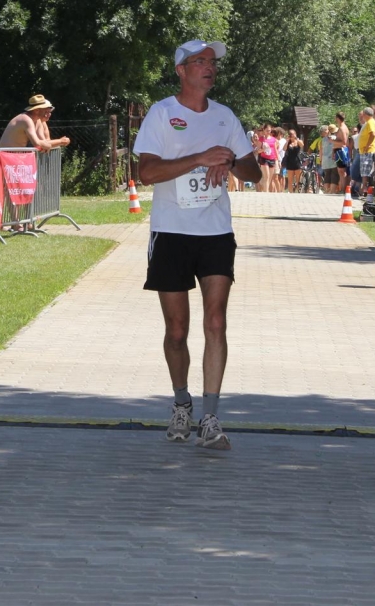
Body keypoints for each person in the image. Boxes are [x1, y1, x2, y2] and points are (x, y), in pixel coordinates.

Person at [133, 39, 261, 451]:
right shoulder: (162, 113)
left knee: (216, 322)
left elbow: (254, 172)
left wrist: (230, 161)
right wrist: (199, 158)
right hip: (171, 231)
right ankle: (181, 402)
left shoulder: (225, 117)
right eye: (200, 61)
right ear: (181, 70)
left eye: (213, 62)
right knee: (177, 330)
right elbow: (146, 173)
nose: (210, 67)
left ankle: (211, 417)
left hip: (215, 232)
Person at [0, 94, 71, 150]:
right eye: (45, 110)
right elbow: (37, 144)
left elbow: (44, 142)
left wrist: (58, 142)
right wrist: (60, 141)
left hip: (14, 157)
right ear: (36, 110)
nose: (48, 112)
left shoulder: (37, 120)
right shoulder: (26, 119)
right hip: (4, 156)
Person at [357, 107, 375, 196]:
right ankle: (365, 189)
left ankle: (364, 189)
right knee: (364, 171)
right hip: (365, 151)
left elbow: (372, 134)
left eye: (363, 114)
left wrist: (367, 145)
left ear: (365, 114)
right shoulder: (369, 122)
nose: (362, 116)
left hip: (368, 151)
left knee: (366, 171)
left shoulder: (370, 122)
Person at [256, 123, 278, 192]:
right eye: (267, 130)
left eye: (269, 130)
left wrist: (277, 160)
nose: (268, 132)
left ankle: (262, 184)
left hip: (272, 158)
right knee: (267, 176)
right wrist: (263, 149)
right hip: (264, 159)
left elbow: (275, 150)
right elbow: (257, 151)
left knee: (269, 178)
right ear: (264, 130)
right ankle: (266, 192)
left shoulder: (273, 139)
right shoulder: (261, 139)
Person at [332, 112, 351, 193]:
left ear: (338, 118)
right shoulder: (341, 128)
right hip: (339, 151)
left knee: (342, 171)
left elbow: (344, 142)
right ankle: (342, 189)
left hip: (341, 151)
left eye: (335, 118)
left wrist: (332, 141)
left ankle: (343, 189)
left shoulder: (342, 128)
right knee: (340, 171)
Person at [319, 125, 339, 194]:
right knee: (334, 175)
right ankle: (332, 191)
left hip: (325, 160)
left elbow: (321, 151)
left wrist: (321, 160)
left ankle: (326, 191)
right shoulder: (336, 138)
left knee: (327, 175)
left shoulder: (323, 140)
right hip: (333, 159)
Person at [282, 128, 303, 192]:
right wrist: (287, 141)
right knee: (290, 180)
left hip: (297, 162)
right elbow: (284, 149)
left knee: (298, 179)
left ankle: (298, 192)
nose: (292, 135)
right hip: (290, 162)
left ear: (295, 134)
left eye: (293, 134)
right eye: (290, 134)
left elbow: (302, 145)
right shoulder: (288, 142)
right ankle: (290, 192)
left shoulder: (298, 141)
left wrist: (297, 139)